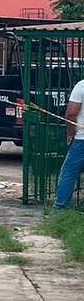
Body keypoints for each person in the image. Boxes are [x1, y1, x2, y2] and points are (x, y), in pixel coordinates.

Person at [52, 79, 84, 211]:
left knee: (68, 173)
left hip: (81, 138)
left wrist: (70, 133)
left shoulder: (81, 86)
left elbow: (71, 114)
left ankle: (60, 208)